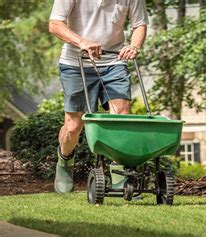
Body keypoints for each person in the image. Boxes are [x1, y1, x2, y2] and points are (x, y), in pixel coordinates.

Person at [49, 0, 148, 193]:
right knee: (73, 126)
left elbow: (139, 25)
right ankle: (65, 161)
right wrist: (82, 42)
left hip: (114, 62)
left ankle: (120, 174)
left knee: (121, 118)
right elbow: (55, 24)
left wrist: (134, 46)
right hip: (75, 63)